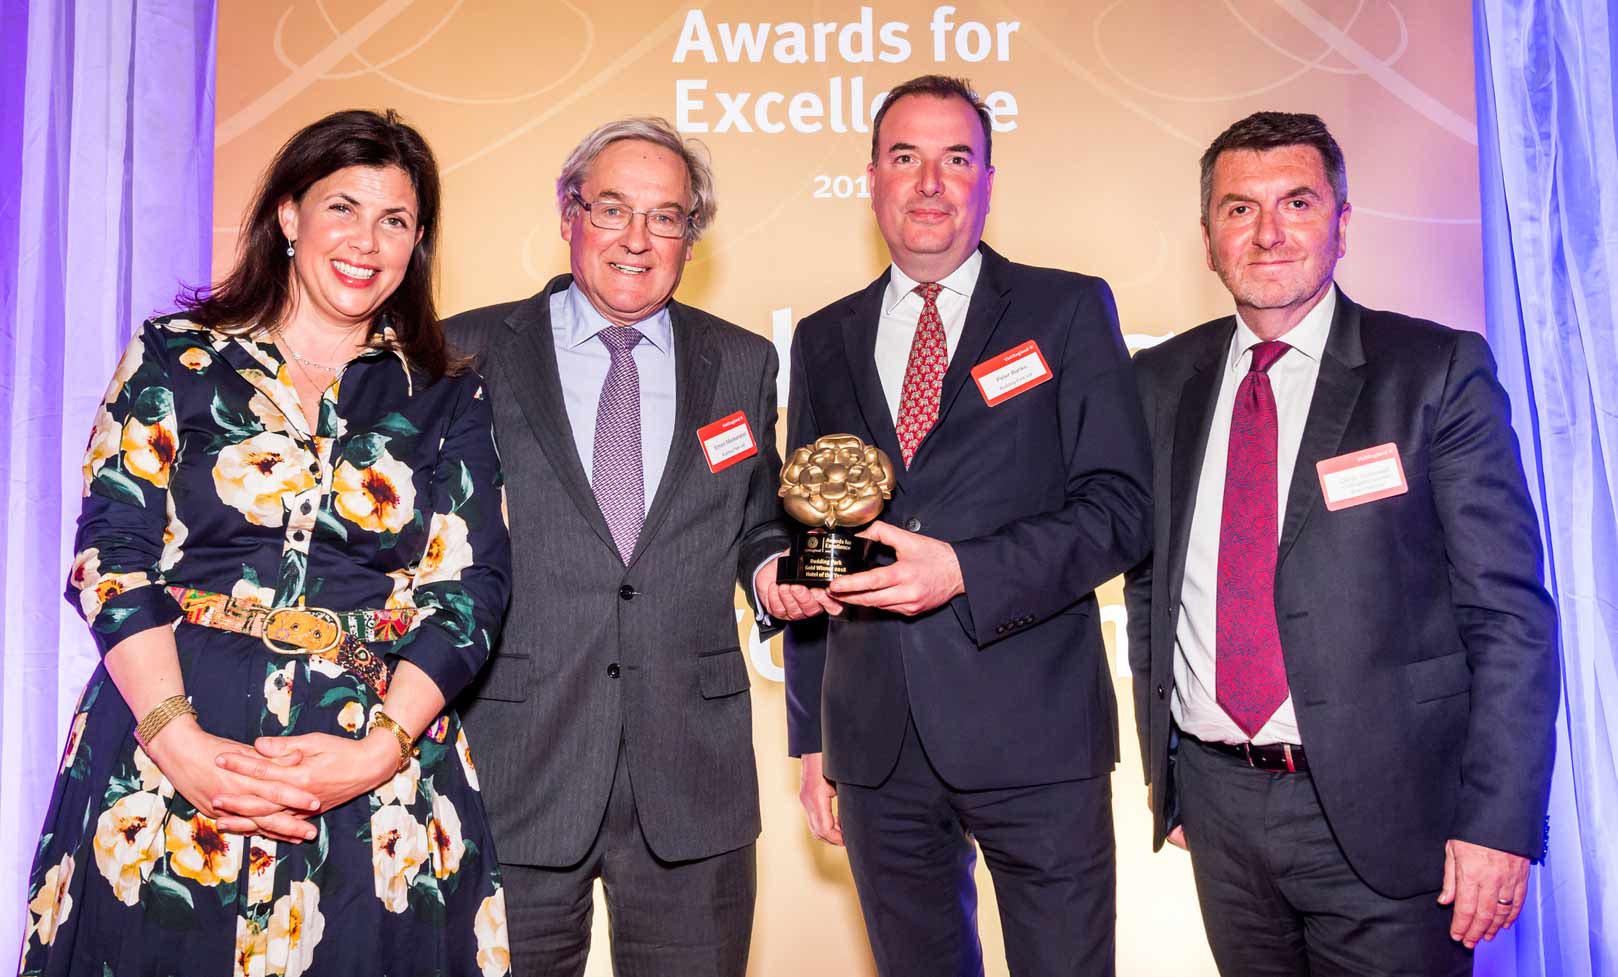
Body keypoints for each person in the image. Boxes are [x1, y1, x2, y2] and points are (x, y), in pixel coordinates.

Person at [18, 109, 513, 977]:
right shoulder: (176, 358)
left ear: (419, 240)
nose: (366, 241)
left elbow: (471, 593)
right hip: (166, 769)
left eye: (394, 219)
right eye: (342, 208)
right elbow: (112, 553)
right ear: (289, 214)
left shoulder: (445, 394)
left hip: (378, 787)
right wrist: (179, 742)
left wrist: (375, 752)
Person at [1124, 111, 1559, 975]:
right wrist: (1169, 773)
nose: (1269, 232)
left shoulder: (1434, 370)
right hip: (1219, 804)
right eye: (1239, 209)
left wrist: (1497, 821)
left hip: (1394, 816)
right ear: (1208, 238)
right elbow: (1152, 586)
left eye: (1297, 202)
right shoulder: (1158, 380)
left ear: (1344, 224)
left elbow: (1508, 614)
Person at [776, 75, 1153, 977]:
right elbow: (814, 539)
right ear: (872, 177)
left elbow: (1121, 509)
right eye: (906, 157)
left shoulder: (1066, 308)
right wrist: (811, 730)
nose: (930, 182)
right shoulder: (823, 337)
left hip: (1036, 732)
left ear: (989, 178)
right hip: (876, 742)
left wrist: (966, 570)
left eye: (957, 158)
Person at [445, 117, 793, 977]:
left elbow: (759, 516)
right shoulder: (464, 351)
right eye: (613, 209)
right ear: (569, 213)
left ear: (690, 236)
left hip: (693, 777)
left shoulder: (742, 361)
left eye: (667, 217)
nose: (638, 239)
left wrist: (772, 566)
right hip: (517, 761)